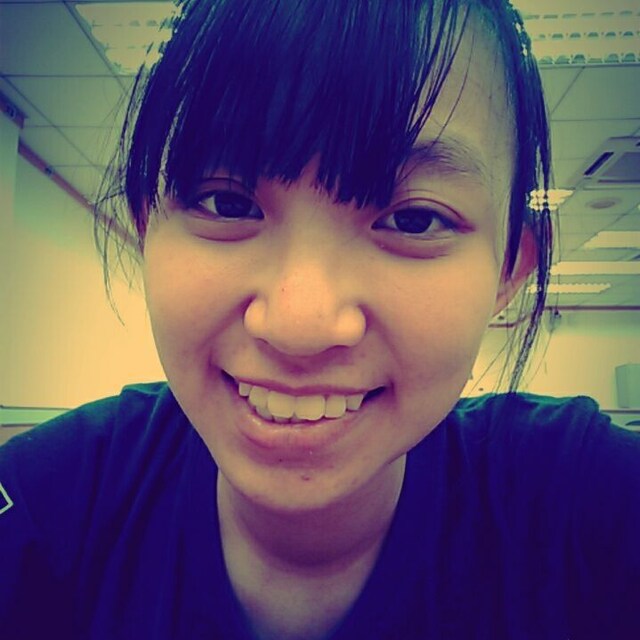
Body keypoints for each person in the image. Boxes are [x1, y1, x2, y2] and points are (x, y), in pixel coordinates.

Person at [1, 0, 639, 638]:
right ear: (147, 226)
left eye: (413, 219)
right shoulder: (41, 506)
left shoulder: (592, 508)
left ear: (508, 270)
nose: (298, 326)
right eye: (226, 204)